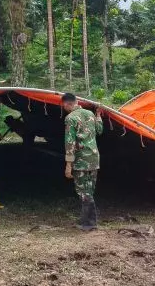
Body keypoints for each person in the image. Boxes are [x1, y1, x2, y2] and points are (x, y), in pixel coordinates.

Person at [62, 92, 104, 231]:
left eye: (64, 106)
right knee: (90, 191)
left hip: (81, 161)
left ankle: (90, 223)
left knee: (83, 192)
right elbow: (99, 130)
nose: (64, 108)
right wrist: (98, 115)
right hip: (94, 159)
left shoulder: (70, 118)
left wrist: (68, 165)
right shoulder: (90, 114)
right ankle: (86, 221)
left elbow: (70, 143)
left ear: (68, 104)